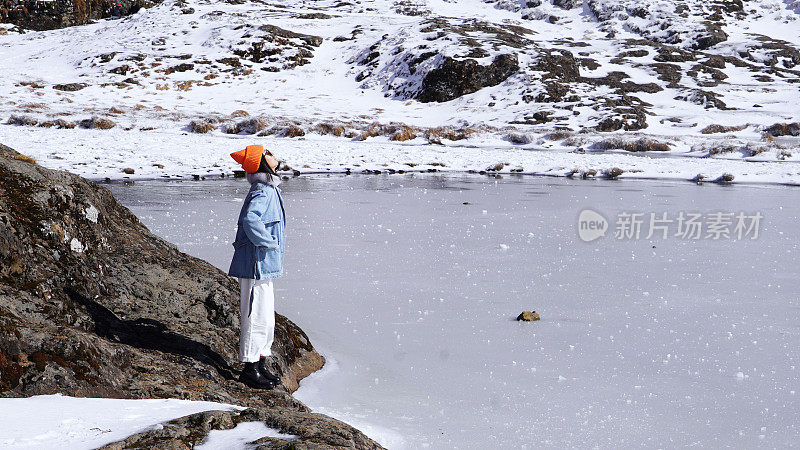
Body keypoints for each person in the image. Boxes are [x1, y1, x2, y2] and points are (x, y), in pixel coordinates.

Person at [228, 145, 286, 390]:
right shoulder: (262, 190)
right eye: (269, 153)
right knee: (254, 315)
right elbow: (251, 220)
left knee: (265, 316)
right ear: (262, 162)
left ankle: (260, 363)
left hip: (264, 264)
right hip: (255, 264)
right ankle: (250, 369)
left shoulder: (268, 187)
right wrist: (269, 243)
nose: (275, 156)